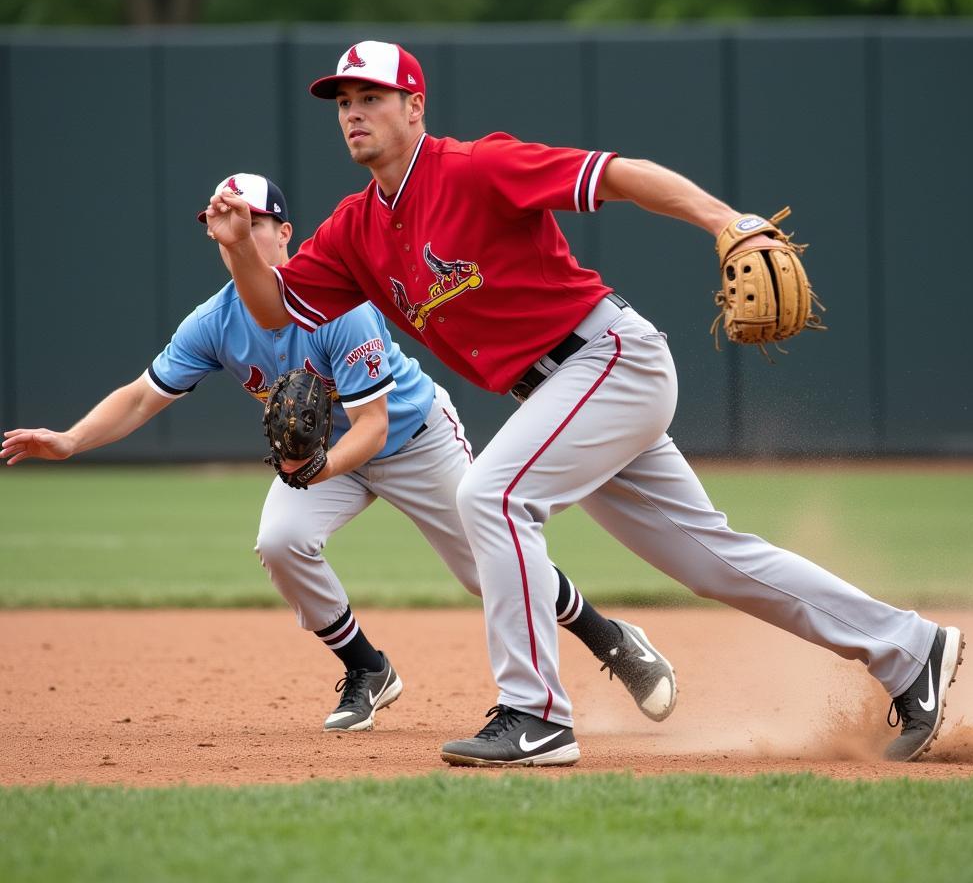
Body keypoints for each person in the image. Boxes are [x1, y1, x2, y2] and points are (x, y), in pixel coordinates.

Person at [203, 40, 965, 767]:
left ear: (415, 106)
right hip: (561, 393)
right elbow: (275, 310)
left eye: (371, 96)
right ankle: (908, 649)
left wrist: (723, 220)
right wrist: (240, 245)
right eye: (342, 100)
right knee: (714, 562)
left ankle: (534, 715)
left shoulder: (478, 167)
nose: (353, 112)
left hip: (607, 359)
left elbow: (621, 175)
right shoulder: (354, 229)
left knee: (493, 496)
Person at [1, 172, 677, 745]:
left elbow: (374, 426)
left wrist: (314, 470)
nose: (238, 229)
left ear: (284, 233)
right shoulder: (213, 322)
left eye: (253, 219)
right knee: (281, 539)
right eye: (224, 217)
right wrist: (68, 439)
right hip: (332, 455)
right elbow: (142, 397)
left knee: (486, 571)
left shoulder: (334, 307)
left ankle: (611, 639)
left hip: (414, 440)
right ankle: (368, 668)